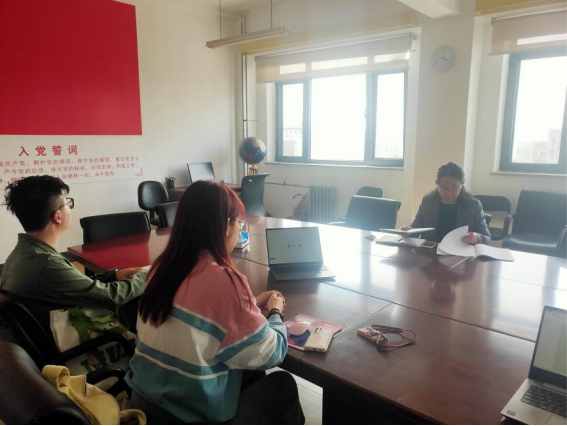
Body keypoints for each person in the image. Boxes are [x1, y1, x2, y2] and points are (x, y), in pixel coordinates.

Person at [126, 181, 305, 425]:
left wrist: (249, 305)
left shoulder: (161, 267)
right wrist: (275, 312)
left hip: (143, 406)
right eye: (239, 223)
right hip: (186, 417)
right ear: (226, 225)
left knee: (250, 374)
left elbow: (201, 317)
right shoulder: (224, 281)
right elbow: (272, 352)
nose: (239, 229)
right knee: (282, 385)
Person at [0, 176, 146, 328]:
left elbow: (69, 286)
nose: (69, 207)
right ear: (58, 216)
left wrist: (112, 276)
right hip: (71, 333)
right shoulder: (46, 264)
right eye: (67, 203)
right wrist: (147, 276)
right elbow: (112, 297)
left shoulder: (25, 251)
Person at [404, 162, 491, 245]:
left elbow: (486, 237)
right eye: (445, 188)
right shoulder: (428, 202)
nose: (449, 193)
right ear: (437, 184)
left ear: (461, 185)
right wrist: (407, 232)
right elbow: (416, 228)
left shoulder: (474, 205)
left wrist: (476, 237)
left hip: (459, 252)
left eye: (454, 188)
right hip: (430, 251)